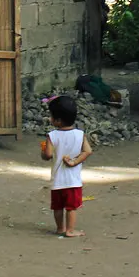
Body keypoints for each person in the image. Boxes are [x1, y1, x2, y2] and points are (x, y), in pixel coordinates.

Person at [40, 95, 92, 237]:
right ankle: (70, 230)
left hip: (57, 180)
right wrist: (74, 162)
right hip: (73, 181)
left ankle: (60, 228)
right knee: (71, 208)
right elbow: (88, 151)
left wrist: (43, 151)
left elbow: (48, 155)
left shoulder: (52, 135)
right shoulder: (80, 134)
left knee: (57, 207)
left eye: (51, 116)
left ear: (57, 120)